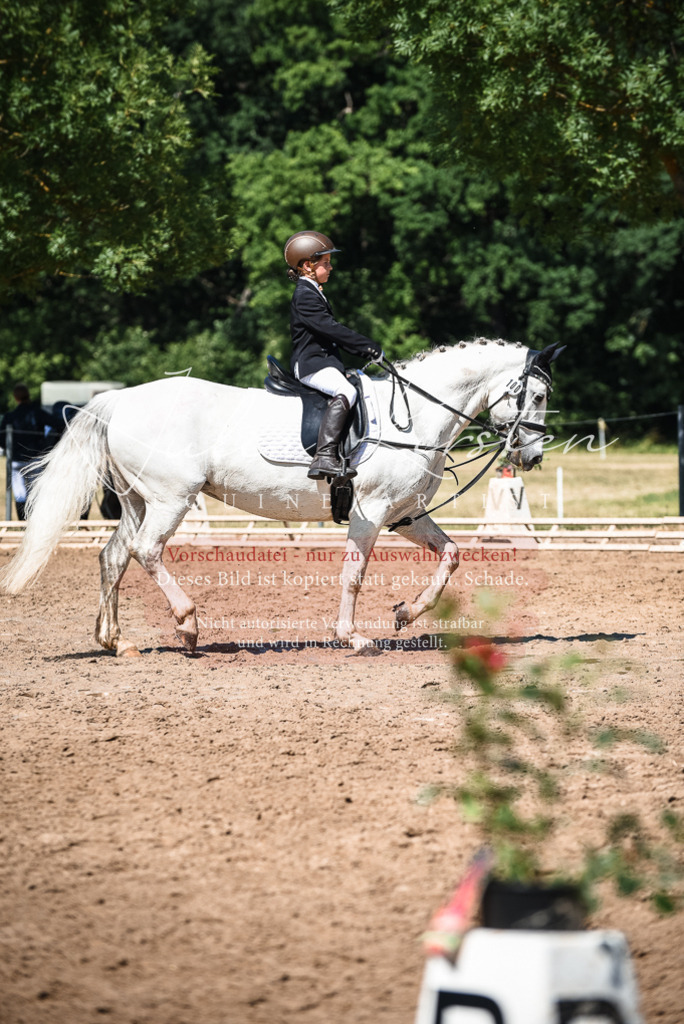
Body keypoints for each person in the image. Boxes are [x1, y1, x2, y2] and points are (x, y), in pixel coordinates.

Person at [284, 230, 383, 479]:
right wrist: (367, 347)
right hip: (311, 365)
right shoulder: (305, 295)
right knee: (346, 391)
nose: (330, 268)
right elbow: (331, 329)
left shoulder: (313, 289)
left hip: (323, 362)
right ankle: (324, 456)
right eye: (325, 263)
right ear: (308, 265)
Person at [0, 384, 57, 520]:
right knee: (35, 493)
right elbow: (57, 424)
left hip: (16, 460)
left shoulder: (10, 416)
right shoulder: (38, 413)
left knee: (20, 494)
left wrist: (12, 448)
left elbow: (2, 441)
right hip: (35, 458)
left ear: (15, 398)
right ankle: (35, 522)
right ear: (28, 396)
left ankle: (22, 525)